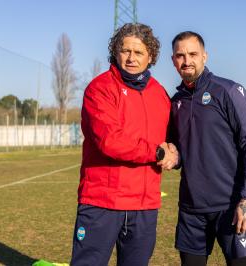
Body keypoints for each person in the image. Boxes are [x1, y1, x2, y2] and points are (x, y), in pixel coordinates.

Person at [71, 23, 178, 266]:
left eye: (138, 52)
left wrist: (174, 152)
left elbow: (172, 137)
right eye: (125, 50)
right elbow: (110, 141)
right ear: (115, 52)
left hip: (145, 204)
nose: (131, 58)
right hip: (102, 202)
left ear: (150, 56)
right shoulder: (100, 88)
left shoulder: (160, 94)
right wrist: (157, 151)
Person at [169, 31, 246, 266]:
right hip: (191, 210)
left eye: (193, 54)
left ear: (204, 56)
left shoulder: (228, 91)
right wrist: (172, 156)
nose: (186, 61)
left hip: (231, 207)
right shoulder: (175, 102)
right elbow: (179, 151)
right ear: (173, 60)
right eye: (180, 55)